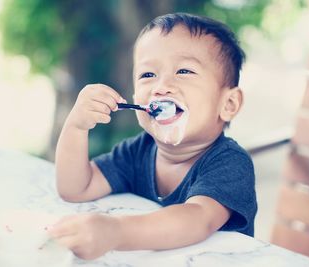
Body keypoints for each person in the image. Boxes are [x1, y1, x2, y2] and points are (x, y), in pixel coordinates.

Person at [53, 12, 257, 260]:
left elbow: (196, 220)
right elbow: (76, 188)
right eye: (147, 75)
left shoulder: (229, 164)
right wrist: (76, 127)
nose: (161, 87)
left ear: (229, 104)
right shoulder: (138, 151)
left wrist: (116, 232)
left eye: (184, 71)